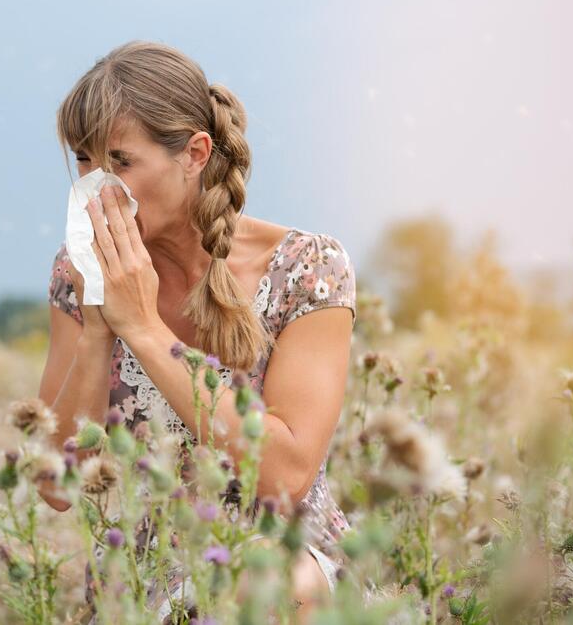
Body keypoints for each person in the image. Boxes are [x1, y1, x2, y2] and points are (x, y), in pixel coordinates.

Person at [37, 40, 356, 624]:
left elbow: (282, 476)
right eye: (83, 160)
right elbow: (57, 486)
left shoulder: (307, 268)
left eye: (120, 161)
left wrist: (146, 330)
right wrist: (98, 332)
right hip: (143, 565)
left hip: (288, 557)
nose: (96, 187)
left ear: (194, 153)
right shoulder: (75, 272)